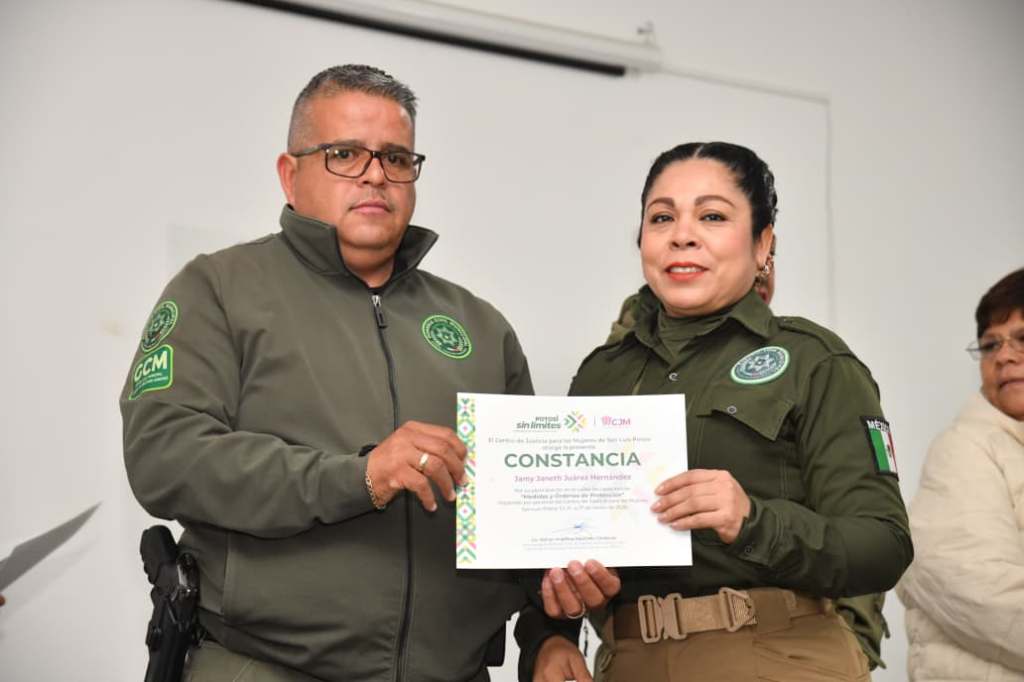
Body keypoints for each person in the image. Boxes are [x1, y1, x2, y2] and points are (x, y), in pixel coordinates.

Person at [121, 64, 540, 681]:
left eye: (396, 157)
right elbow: (165, 456)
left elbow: (524, 513)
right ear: (290, 175)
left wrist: (552, 613)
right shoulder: (220, 289)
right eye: (345, 154)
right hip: (262, 666)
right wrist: (358, 478)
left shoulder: (479, 325)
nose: (375, 174)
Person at [531, 141, 913, 681]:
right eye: (661, 217)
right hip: (629, 661)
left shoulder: (814, 360)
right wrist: (556, 624)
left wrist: (752, 521)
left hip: (774, 657)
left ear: (763, 244)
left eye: (712, 216)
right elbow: (558, 540)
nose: (682, 234)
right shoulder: (602, 375)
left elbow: (883, 545)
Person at [896, 268, 1024, 681]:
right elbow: (983, 595)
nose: (1004, 356)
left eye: (1022, 339)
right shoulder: (964, 449)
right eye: (990, 345)